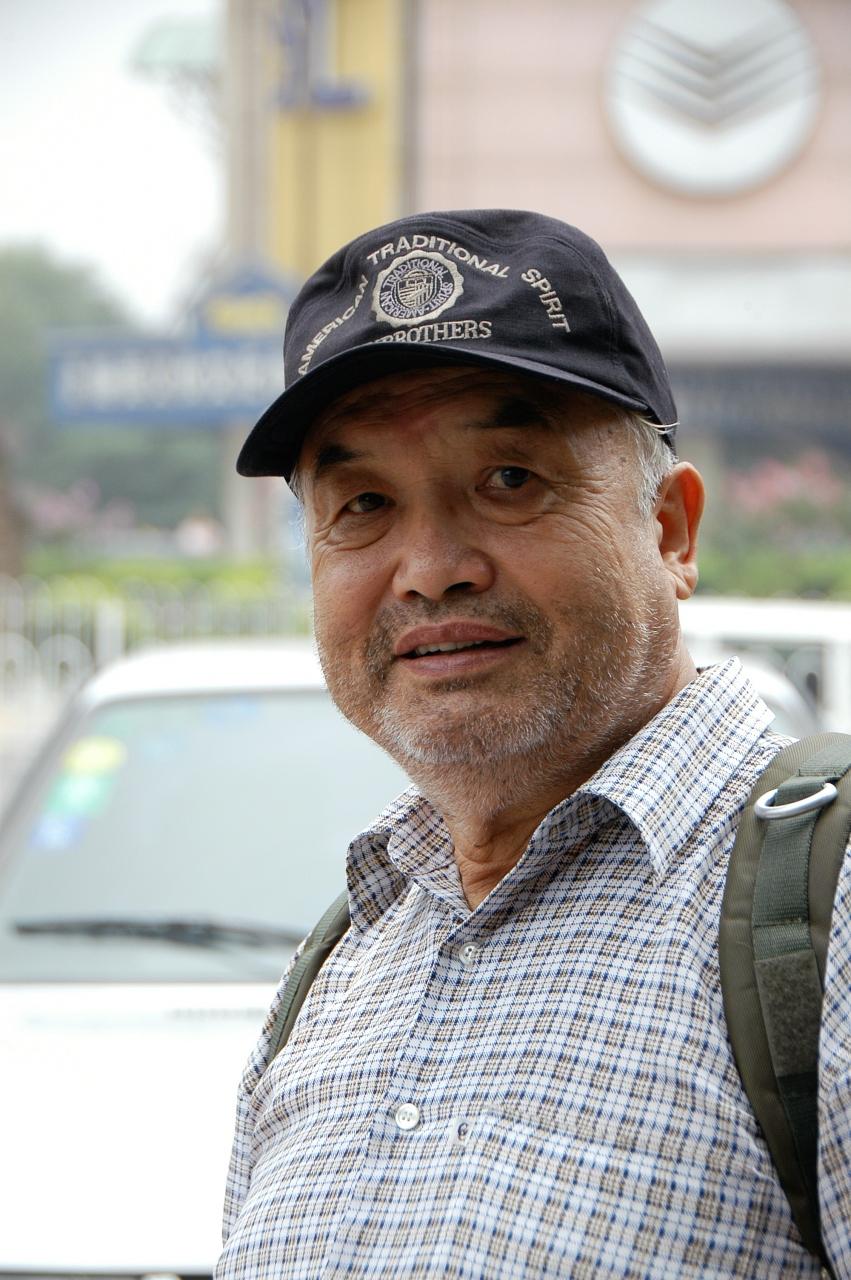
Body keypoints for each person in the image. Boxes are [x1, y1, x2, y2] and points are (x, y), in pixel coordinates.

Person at [215, 210, 851, 1278]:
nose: (430, 569)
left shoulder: (823, 919)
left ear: (668, 529)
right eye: (362, 503)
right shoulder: (341, 966)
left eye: (509, 479)